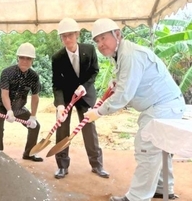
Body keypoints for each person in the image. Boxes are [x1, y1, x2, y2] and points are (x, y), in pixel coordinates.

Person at [85, 18, 186, 201]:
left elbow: (124, 95)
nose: (100, 44)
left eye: (103, 38)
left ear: (117, 34)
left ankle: (137, 197)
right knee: (159, 147)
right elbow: (126, 83)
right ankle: (163, 189)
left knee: (146, 146)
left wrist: (98, 112)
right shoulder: (121, 54)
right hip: (165, 105)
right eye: (97, 41)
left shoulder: (129, 55)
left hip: (163, 106)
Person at [51, 18, 109, 179]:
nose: (67, 39)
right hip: (67, 97)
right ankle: (62, 166)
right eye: (64, 36)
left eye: (70, 35)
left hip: (85, 94)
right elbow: (57, 84)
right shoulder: (57, 58)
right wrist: (60, 106)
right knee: (62, 128)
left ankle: (97, 165)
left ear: (77, 34)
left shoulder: (89, 50)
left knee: (89, 129)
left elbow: (94, 71)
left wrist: (84, 86)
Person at [0, 42, 43, 162]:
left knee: (35, 127)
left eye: (28, 58)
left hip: (19, 106)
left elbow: (35, 97)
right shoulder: (7, 72)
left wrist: (33, 116)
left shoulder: (34, 77)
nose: (25, 61)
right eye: (22, 58)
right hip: (1, 104)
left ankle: (29, 153)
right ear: (18, 58)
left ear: (32, 60)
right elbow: (4, 94)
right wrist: (9, 110)